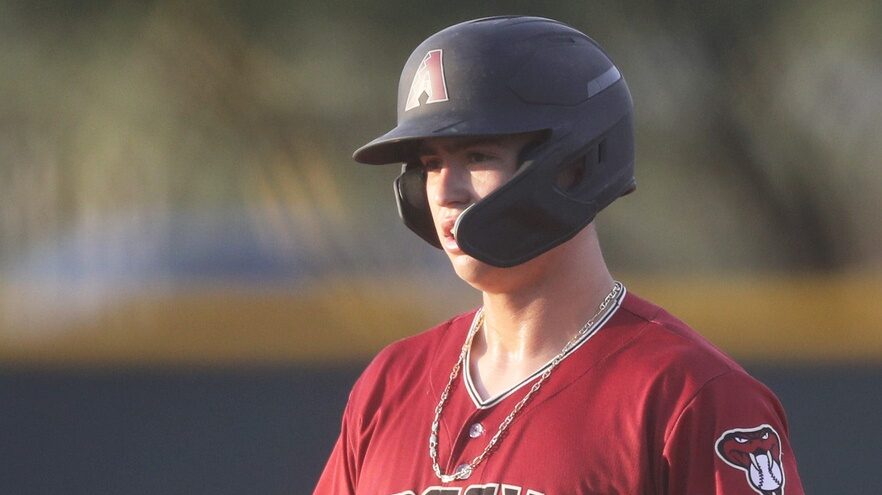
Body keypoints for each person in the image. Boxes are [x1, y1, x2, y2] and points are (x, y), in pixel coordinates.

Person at [314, 16, 804, 495]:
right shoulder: (390, 384)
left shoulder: (689, 395)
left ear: (574, 166)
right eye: (431, 163)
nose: (446, 191)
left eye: (477, 157)